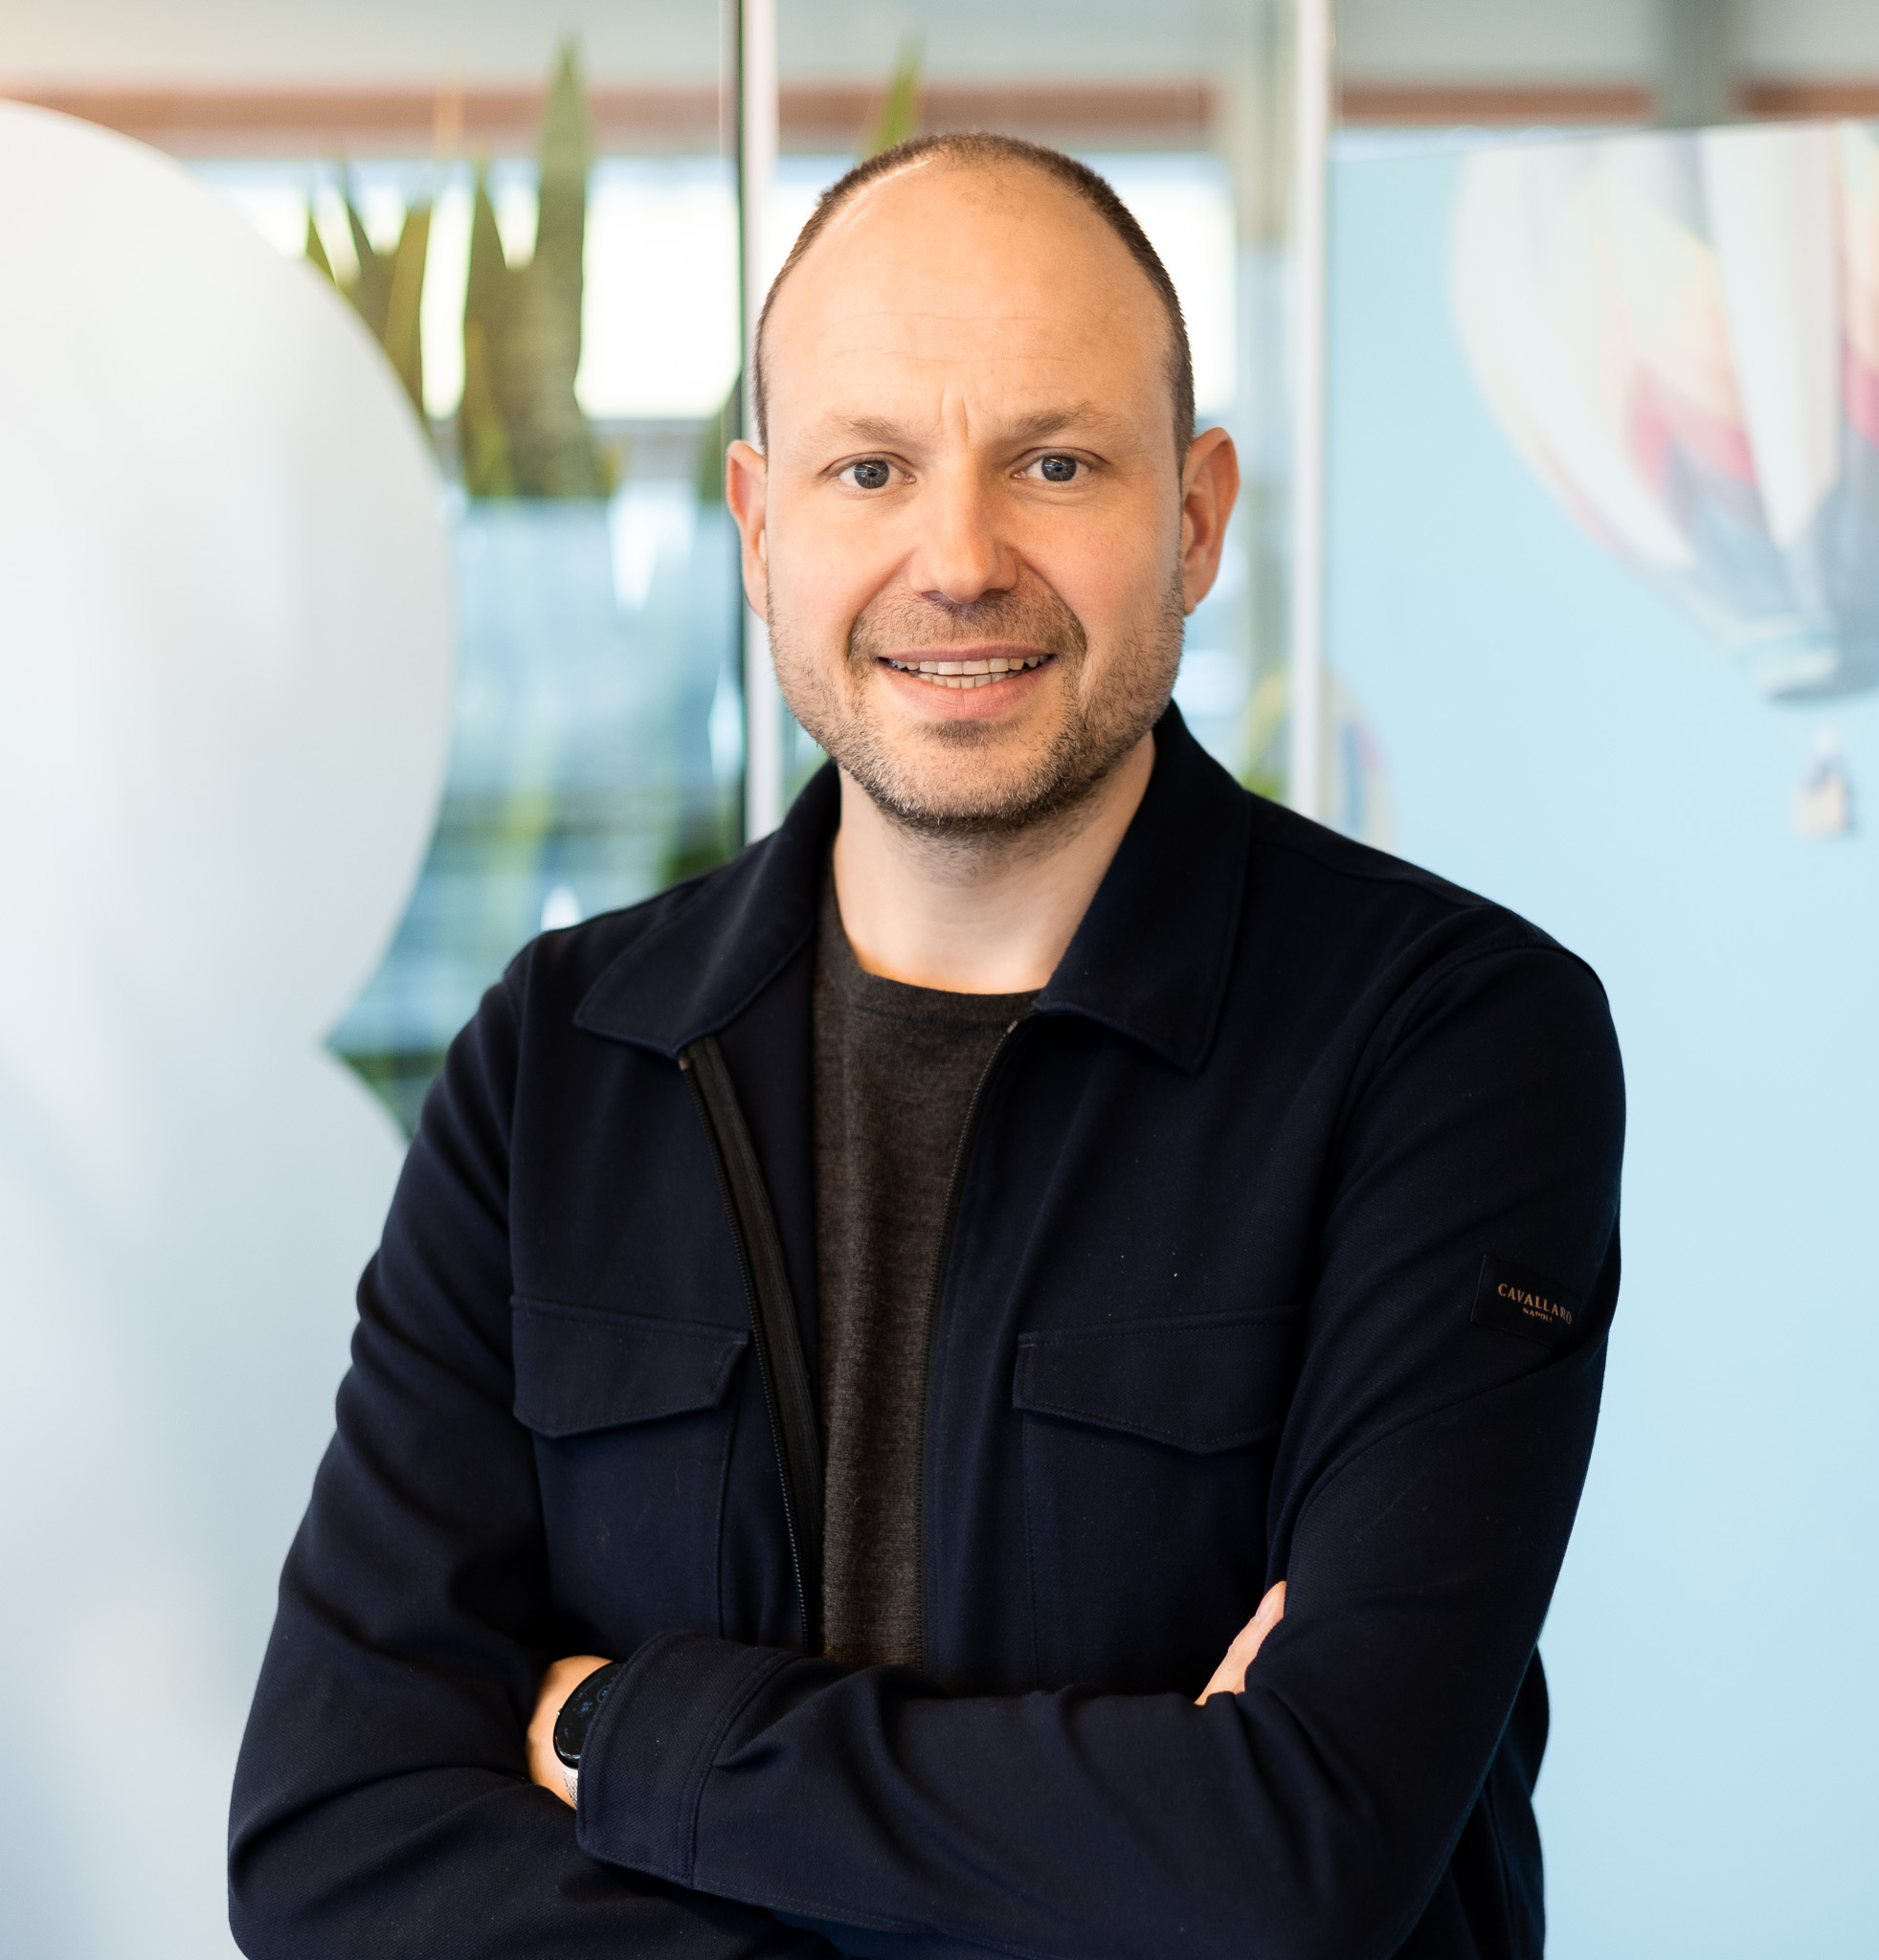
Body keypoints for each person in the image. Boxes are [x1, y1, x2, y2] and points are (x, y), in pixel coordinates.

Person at [231, 133, 1623, 1960]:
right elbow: (332, 1845)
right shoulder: (556, 1065)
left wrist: (624, 1734)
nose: (958, 561)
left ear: (1196, 517)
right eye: (870, 468)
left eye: (1056, 463)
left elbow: (1301, 1865)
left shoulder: (1450, 1044)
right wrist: (1112, 1838)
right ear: (761, 528)